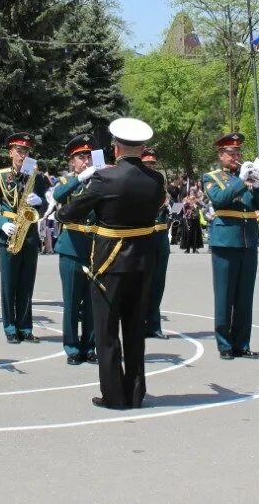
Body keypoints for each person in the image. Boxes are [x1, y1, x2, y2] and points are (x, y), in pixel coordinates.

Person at [56, 117, 164, 410]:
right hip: (143, 261)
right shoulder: (157, 180)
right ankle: (135, 391)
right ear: (142, 148)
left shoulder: (106, 178)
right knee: (134, 330)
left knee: (106, 331)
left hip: (109, 262)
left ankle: (115, 396)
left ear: (116, 148)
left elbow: (68, 213)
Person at [202, 132, 259, 360]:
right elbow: (219, 200)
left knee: (244, 296)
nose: (236, 156)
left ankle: (242, 343)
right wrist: (241, 180)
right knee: (224, 295)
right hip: (225, 242)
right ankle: (225, 344)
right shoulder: (211, 177)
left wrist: (258, 186)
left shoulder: (246, 178)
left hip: (248, 241)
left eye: (238, 152)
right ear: (221, 154)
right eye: (231, 153)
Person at [0, 132, 50, 345]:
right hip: (9, 232)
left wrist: (40, 201)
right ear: (10, 152)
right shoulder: (0, 176)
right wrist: (1, 223)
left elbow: (46, 204)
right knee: (9, 283)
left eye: (26, 151)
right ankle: (10, 327)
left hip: (29, 232)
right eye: (19, 151)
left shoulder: (36, 177)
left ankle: (25, 327)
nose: (23, 155)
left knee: (26, 283)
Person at [48, 134, 99, 365]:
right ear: (72, 162)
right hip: (71, 246)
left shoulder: (100, 181)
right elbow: (58, 195)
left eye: (88, 156)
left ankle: (90, 346)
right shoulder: (66, 181)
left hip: (96, 246)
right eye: (81, 157)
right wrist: (80, 178)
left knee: (92, 301)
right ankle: (71, 347)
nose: (86, 160)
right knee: (71, 300)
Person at [140, 146, 171, 340]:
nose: (151, 166)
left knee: (158, 284)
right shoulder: (138, 183)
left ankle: (154, 325)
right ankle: (139, 323)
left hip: (160, 236)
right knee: (142, 283)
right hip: (144, 236)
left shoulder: (159, 183)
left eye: (153, 163)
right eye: (147, 164)